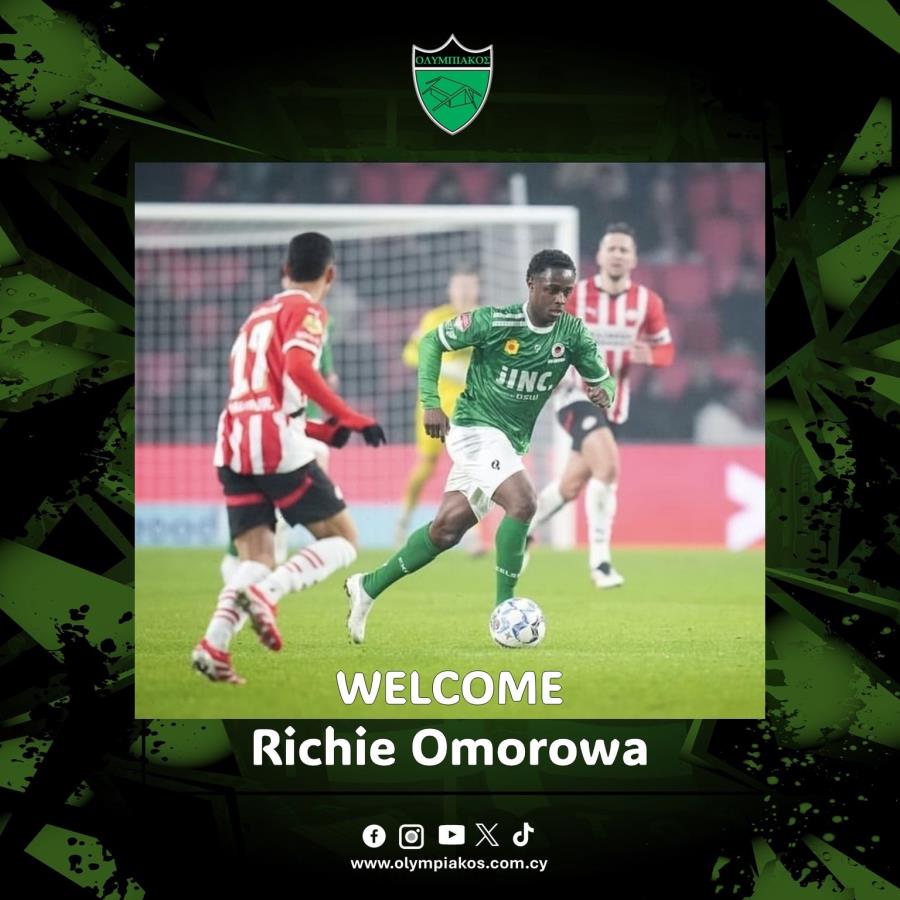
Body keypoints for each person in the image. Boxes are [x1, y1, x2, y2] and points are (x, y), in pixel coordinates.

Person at [344, 249, 616, 644]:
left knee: (446, 530)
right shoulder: (495, 321)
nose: (560, 298)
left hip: (508, 442)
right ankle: (505, 608)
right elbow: (431, 342)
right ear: (531, 285)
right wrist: (431, 402)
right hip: (472, 429)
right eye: (552, 289)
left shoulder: (573, 334)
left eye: (566, 292)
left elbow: (603, 378)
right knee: (523, 501)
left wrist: (603, 391)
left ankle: (367, 586)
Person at [192, 232, 385, 683]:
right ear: (330, 275)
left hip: (232, 439)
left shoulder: (256, 316)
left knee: (256, 555)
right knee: (344, 539)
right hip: (271, 441)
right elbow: (298, 368)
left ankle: (214, 646)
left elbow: (262, 395)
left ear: (285, 270)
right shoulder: (309, 310)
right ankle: (269, 593)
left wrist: (320, 430)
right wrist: (349, 416)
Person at [530, 223, 674, 588]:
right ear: (599, 255)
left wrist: (649, 356)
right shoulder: (575, 295)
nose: (617, 255)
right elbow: (545, 331)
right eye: (611, 248)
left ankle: (523, 528)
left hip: (615, 404)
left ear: (634, 259)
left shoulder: (647, 302)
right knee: (607, 467)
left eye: (624, 250)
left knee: (570, 486)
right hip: (574, 395)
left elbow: (666, 351)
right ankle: (601, 564)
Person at [395, 267, 482, 550]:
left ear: (477, 289)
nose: (464, 292)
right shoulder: (435, 319)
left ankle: (472, 535)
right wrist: (444, 366)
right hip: (433, 405)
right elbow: (410, 354)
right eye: (459, 286)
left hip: (470, 408)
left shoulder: (485, 320)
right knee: (426, 465)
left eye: (469, 287)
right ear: (450, 290)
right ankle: (403, 519)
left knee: (472, 468)